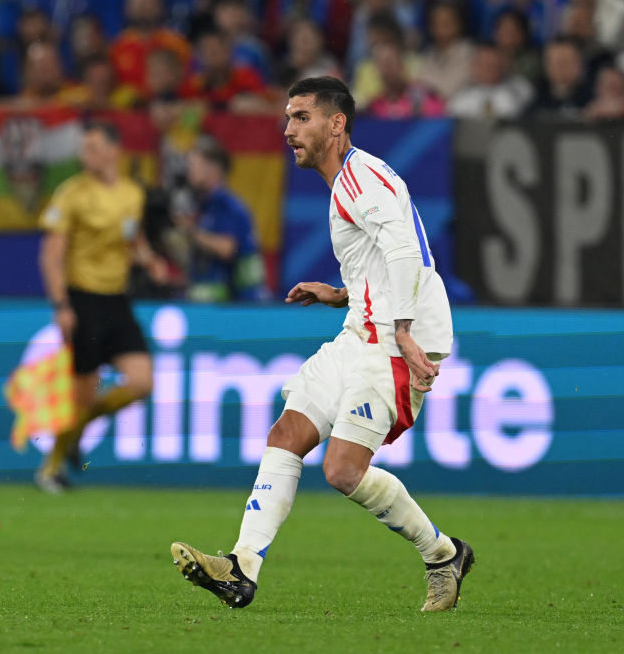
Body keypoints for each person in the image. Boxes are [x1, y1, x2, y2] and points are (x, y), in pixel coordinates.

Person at [170, 76, 473, 613]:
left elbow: (407, 254)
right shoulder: (349, 183)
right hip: (362, 329)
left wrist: (403, 332)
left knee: (341, 471)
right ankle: (242, 568)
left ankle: (442, 554)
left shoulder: (360, 180)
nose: (289, 130)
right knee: (287, 433)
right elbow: (386, 258)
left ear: (337, 124)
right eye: (288, 118)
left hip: (396, 341)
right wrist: (338, 294)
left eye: (301, 117)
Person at [35, 120, 162, 492]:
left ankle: (77, 433)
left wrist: (148, 259)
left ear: (113, 151)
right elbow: (51, 254)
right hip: (83, 300)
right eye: (83, 148)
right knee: (82, 395)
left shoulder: (131, 194)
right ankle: (50, 468)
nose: (84, 155)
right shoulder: (72, 193)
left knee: (141, 382)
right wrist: (61, 305)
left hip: (117, 300)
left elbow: (131, 238)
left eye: (92, 147)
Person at [177, 137, 266, 303]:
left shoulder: (226, 205)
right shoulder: (204, 206)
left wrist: (190, 231)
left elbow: (227, 248)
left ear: (213, 169)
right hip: (219, 302)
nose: (188, 171)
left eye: (193, 165)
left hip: (239, 305)